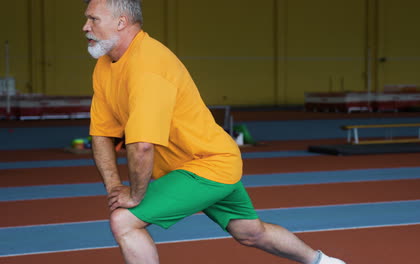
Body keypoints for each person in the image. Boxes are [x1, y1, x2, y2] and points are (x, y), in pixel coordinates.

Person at [82, 0, 346, 263]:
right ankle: (324, 262)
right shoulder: (105, 68)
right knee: (250, 232)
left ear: (121, 22)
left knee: (124, 221)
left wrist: (135, 194)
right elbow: (101, 134)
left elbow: (142, 146)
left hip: (209, 165)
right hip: (197, 166)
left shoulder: (147, 65)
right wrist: (115, 186)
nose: (85, 27)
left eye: (94, 19)